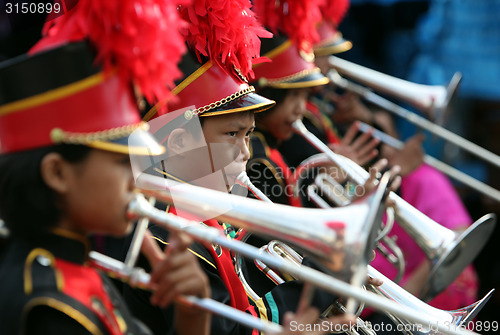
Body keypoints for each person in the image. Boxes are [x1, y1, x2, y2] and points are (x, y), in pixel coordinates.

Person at [0, 6, 212, 333]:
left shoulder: (75, 264)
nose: (137, 180)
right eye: (122, 163)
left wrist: (191, 319)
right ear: (57, 173)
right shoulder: (48, 305)